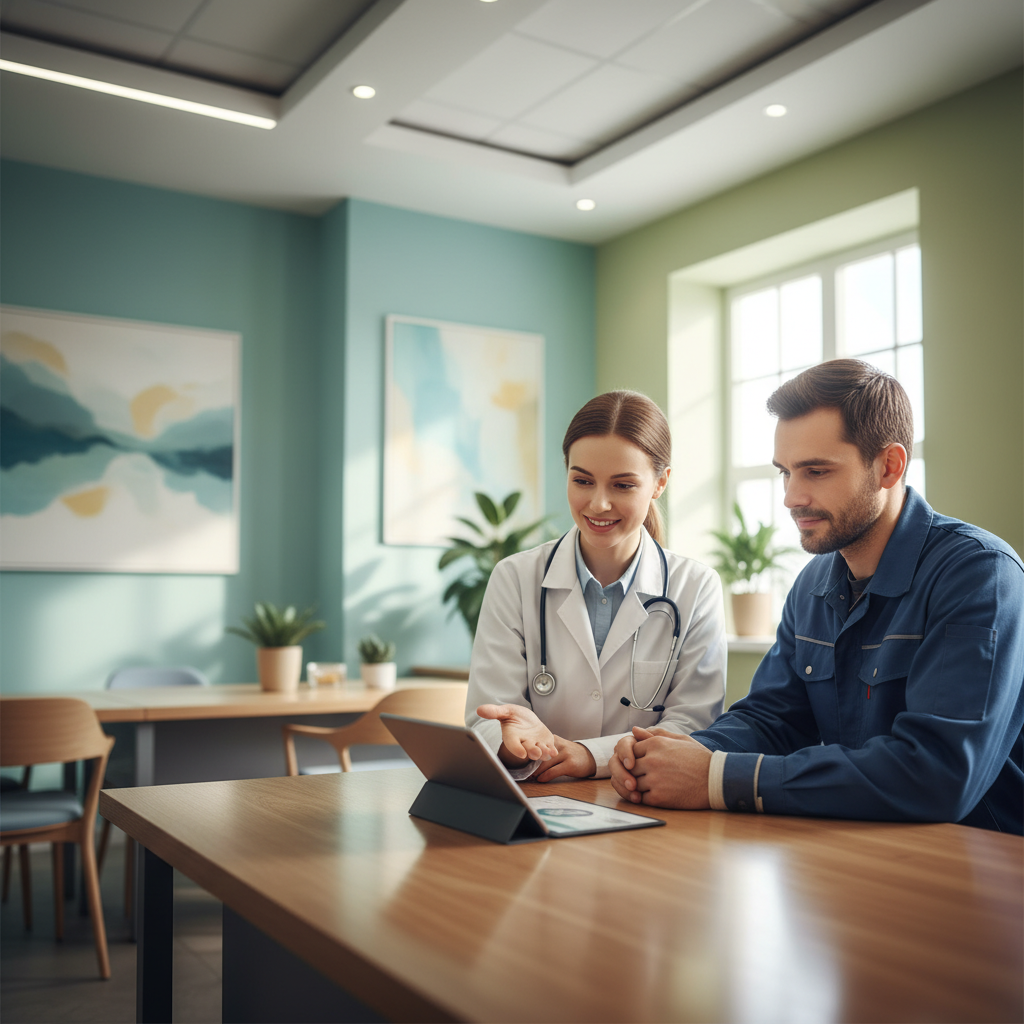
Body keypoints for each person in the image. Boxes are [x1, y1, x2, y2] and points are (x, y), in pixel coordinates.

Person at [610, 360, 1024, 834]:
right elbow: (772, 719)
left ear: (889, 467)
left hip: (980, 857)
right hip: (861, 849)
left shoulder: (980, 574)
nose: (791, 496)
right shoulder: (813, 583)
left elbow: (937, 773)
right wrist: (673, 755)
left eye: (816, 471)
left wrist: (717, 777)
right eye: (785, 472)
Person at [467, 390, 727, 782]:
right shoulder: (515, 578)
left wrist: (591, 756)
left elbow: (692, 724)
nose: (598, 504)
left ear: (660, 483)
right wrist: (515, 744)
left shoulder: (696, 587)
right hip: (537, 795)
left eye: (623, 485)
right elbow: (489, 717)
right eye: (583, 480)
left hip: (642, 797)